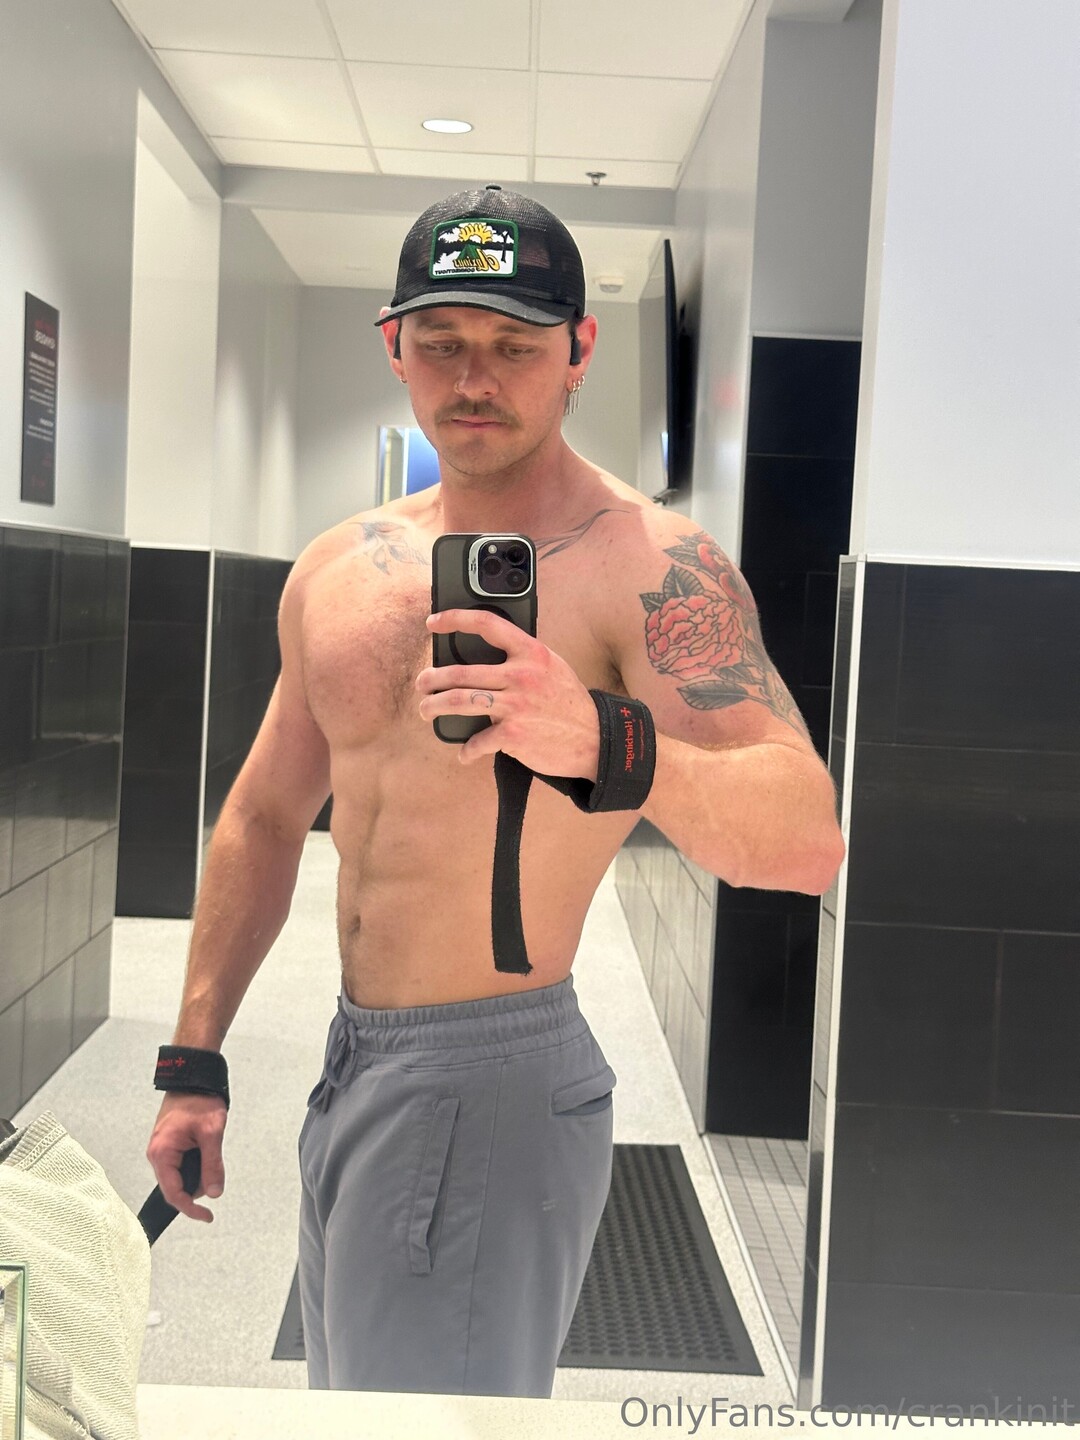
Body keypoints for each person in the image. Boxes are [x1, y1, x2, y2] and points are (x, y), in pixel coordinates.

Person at [146, 185, 844, 1397]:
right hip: (353, 1057)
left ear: (579, 351)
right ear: (393, 347)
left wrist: (604, 739)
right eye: (443, 343)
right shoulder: (337, 568)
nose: (476, 379)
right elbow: (263, 815)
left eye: (516, 347)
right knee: (359, 1407)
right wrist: (191, 1058)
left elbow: (805, 840)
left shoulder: (653, 565)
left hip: (495, 1074)